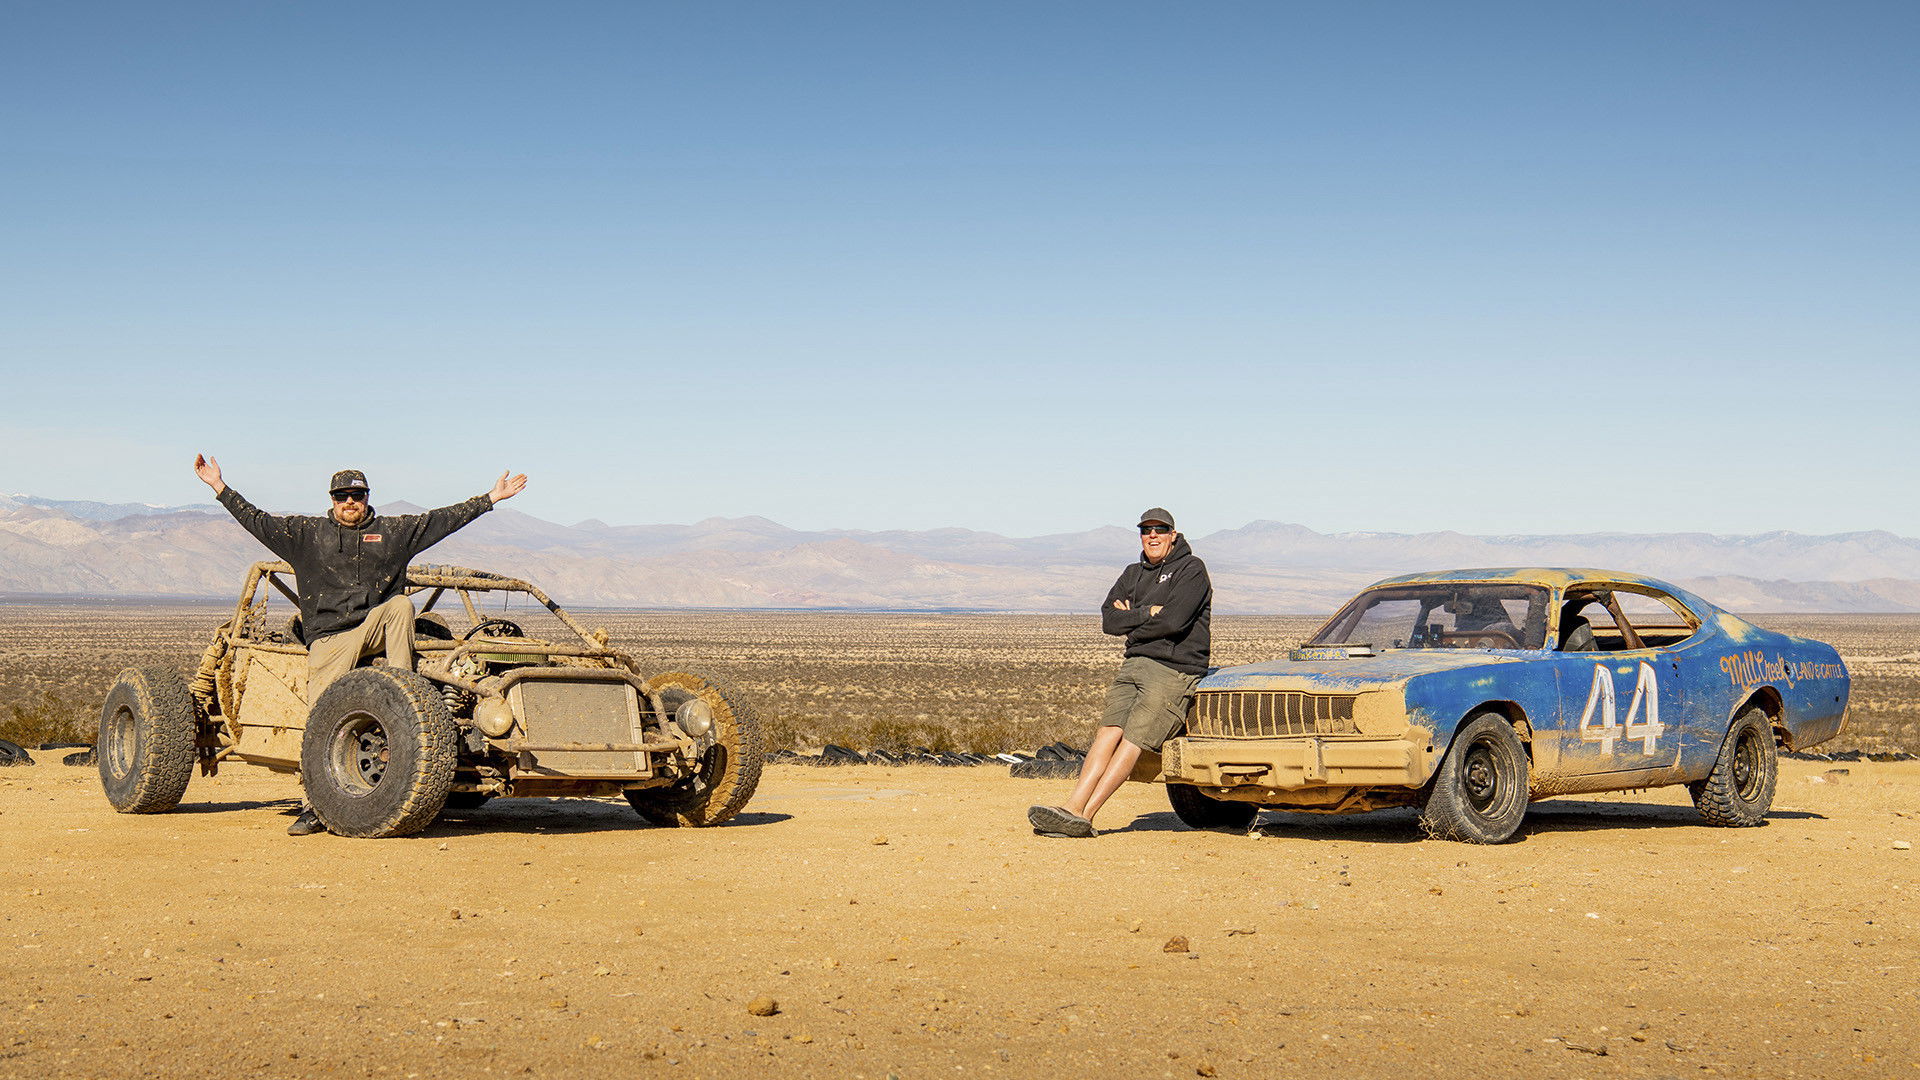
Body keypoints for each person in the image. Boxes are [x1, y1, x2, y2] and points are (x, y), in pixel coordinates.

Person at [193, 454, 528, 834]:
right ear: (332, 500)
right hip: (331, 638)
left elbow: (441, 520)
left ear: (368, 497)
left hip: (375, 629)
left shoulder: (393, 533)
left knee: (400, 605)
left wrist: (490, 498)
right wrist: (220, 487)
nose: (349, 502)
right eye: (342, 497)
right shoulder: (306, 535)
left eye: (357, 495)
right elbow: (257, 521)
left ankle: (406, 700)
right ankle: (314, 805)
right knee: (321, 714)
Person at [1028, 508, 1212, 838]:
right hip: (1134, 664)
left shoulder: (1191, 570)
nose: (1152, 535)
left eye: (1160, 529)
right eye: (1146, 530)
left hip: (1173, 670)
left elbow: (1175, 621)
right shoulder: (1132, 574)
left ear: (1173, 534)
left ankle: (1086, 815)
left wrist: (1135, 621)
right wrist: (1149, 613)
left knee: (1133, 742)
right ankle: (1072, 806)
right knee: (1107, 734)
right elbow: (1108, 621)